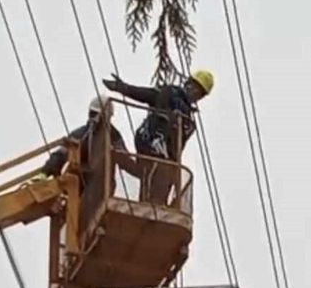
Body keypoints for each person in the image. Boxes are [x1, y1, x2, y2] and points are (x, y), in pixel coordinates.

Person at [102, 69, 214, 203]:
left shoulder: (188, 118)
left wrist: (175, 168)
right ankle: (148, 207)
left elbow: (179, 145)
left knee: (157, 187)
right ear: (188, 82)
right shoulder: (169, 94)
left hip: (165, 157)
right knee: (152, 179)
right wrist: (122, 88)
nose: (195, 93)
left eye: (200, 93)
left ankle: (150, 208)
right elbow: (146, 95)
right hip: (152, 143)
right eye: (195, 87)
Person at [35, 94, 137, 187]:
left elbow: (125, 161)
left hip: (100, 188)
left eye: (95, 114)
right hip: (79, 184)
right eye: (92, 113)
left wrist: (142, 172)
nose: (94, 118)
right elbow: (60, 154)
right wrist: (46, 172)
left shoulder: (113, 136)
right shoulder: (80, 135)